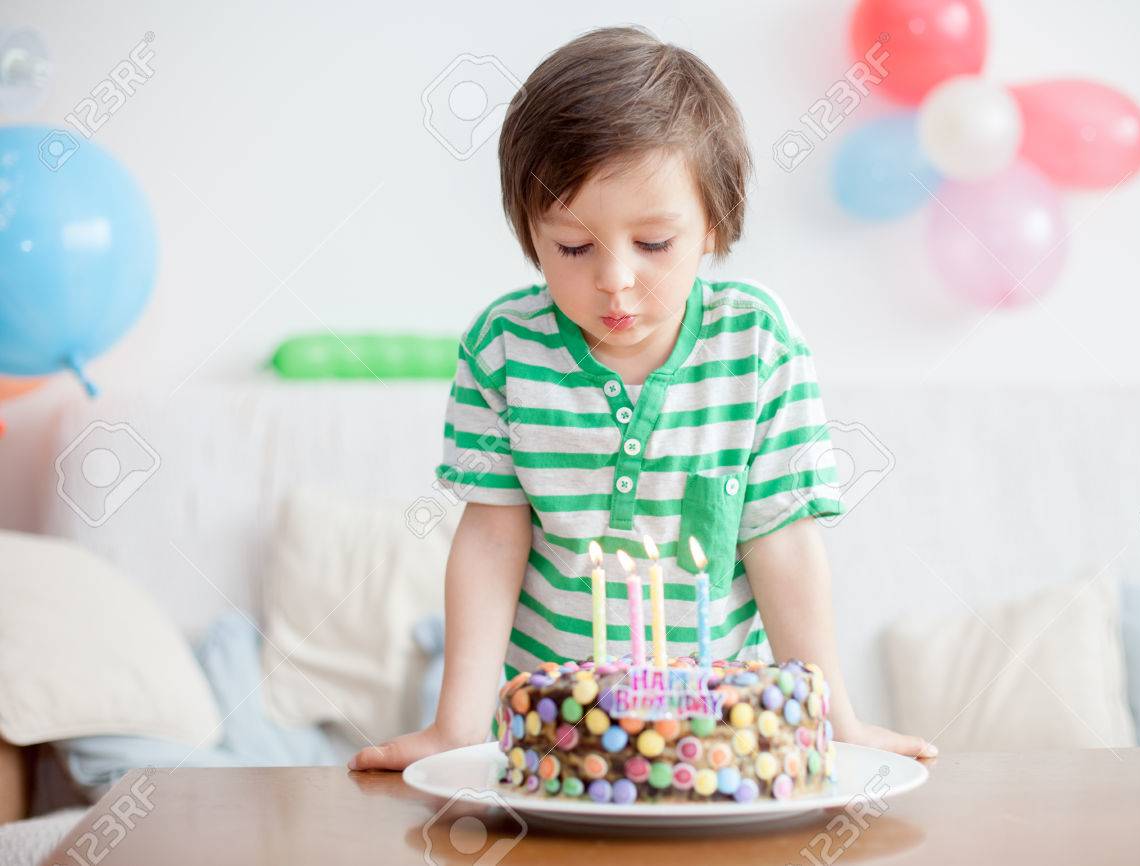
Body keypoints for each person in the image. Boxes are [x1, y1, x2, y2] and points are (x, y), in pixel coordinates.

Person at [350, 25, 936, 772]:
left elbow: (780, 541)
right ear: (530, 234)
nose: (615, 280)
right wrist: (457, 725)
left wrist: (836, 719)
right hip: (552, 740)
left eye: (654, 244)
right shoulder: (503, 348)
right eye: (572, 246)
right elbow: (493, 537)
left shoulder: (757, 346)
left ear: (715, 226)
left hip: (721, 736)